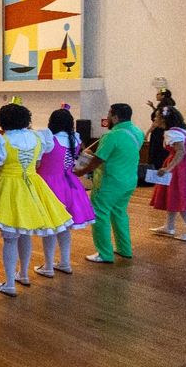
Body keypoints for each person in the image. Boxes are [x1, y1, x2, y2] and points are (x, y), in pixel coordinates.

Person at [0, 103, 72, 297]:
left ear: (2, 121)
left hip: (9, 187)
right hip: (33, 185)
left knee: (10, 238)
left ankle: (9, 283)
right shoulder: (37, 137)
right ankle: (23, 274)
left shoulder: (0, 140)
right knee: (25, 231)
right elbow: (36, 164)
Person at [75, 103, 144, 263]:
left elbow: (98, 161)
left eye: (109, 114)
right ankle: (124, 249)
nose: (107, 117)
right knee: (120, 213)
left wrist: (79, 172)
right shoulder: (137, 132)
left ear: (115, 117)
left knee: (100, 214)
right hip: (129, 181)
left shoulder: (111, 136)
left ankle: (104, 253)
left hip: (109, 182)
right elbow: (122, 154)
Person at [34, 108, 96, 278]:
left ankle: (48, 266)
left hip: (49, 185)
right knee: (64, 227)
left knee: (51, 227)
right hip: (70, 184)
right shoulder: (74, 139)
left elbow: (38, 163)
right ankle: (64, 262)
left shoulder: (48, 138)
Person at [148, 106, 186, 241]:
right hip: (182, 165)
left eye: (157, 116)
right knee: (172, 196)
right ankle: (169, 226)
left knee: (180, 198)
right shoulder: (181, 130)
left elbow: (181, 151)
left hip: (178, 168)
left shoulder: (171, 133)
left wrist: (168, 168)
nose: (155, 119)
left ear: (163, 118)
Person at [146, 88, 176, 169]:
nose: (156, 95)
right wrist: (153, 107)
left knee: (156, 155)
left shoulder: (163, 107)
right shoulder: (167, 107)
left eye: (158, 94)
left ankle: (156, 175)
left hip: (158, 133)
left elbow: (158, 121)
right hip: (163, 133)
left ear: (163, 96)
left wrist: (148, 132)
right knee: (162, 154)